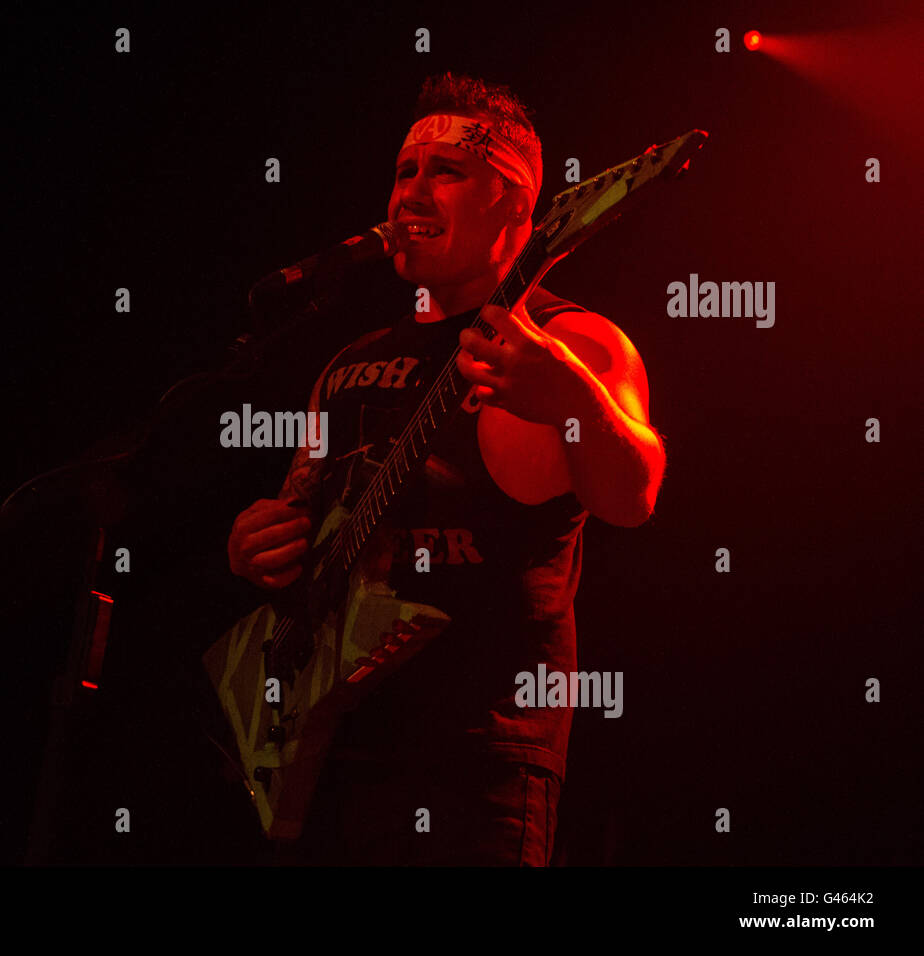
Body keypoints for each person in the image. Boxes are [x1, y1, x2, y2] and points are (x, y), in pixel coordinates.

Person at [226, 73, 666, 865]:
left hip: (476, 760)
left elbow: (633, 495)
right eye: (405, 173)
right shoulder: (349, 364)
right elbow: (299, 516)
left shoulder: (577, 342)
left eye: (447, 173)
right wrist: (257, 547)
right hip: (324, 756)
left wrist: (572, 399)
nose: (413, 195)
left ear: (518, 206)